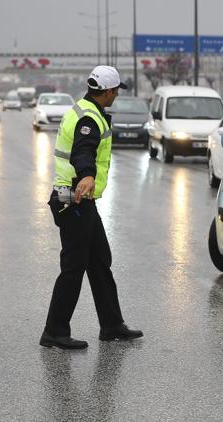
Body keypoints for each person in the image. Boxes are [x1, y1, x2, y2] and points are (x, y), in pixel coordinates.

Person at [40, 66, 143, 349]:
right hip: (73, 200)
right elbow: (83, 148)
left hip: (82, 201)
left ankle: (111, 326)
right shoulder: (89, 118)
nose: (116, 96)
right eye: (116, 91)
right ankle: (55, 331)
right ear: (109, 91)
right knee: (73, 267)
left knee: (99, 262)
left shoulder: (83, 109)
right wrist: (86, 174)